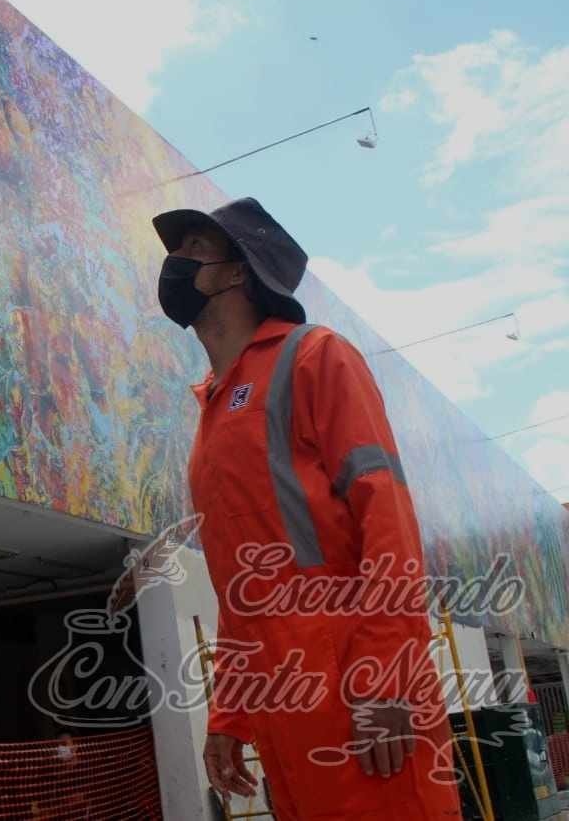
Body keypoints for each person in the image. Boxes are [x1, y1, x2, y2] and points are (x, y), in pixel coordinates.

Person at [150, 198, 461, 819]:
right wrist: (231, 714)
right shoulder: (213, 408)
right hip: (283, 704)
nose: (173, 263)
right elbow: (242, 586)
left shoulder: (316, 356)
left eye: (192, 249)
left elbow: (388, 517)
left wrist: (388, 673)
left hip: (357, 690)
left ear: (239, 272)